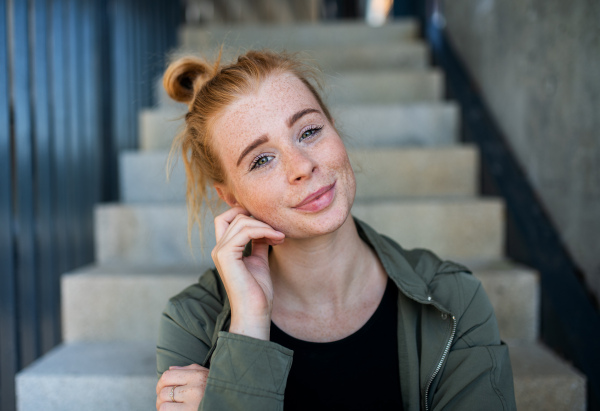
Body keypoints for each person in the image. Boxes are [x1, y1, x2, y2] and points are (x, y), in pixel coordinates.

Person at [155, 50, 516, 411]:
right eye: (262, 159)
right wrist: (249, 323)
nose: (302, 166)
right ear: (231, 197)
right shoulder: (192, 324)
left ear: (335, 129)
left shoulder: (452, 301)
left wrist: (228, 396)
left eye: (309, 131)